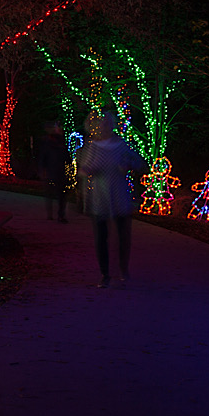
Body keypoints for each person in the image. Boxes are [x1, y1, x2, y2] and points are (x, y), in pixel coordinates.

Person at [76, 108, 147, 288]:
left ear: (112, 125)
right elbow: (82, 170)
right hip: (99, 197)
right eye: (102, 123)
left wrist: (128, 164)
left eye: (108, 123)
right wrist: (87, 171)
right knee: (101, 237)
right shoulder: (91, 147)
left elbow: (139, 163)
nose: (105, 126)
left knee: (124, 236)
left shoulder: (122, 145)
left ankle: (123, 269)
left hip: (120, 195)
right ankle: (104, 274)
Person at [35, 122, 70, 222]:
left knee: (59, 194)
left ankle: (58, 214)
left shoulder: (60, 143)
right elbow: (43, 157)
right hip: (53, 171)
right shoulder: (50, 142)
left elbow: (66, 158)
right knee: (54, 193)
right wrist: (42, 170)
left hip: (58, 171)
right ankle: (55, 214)